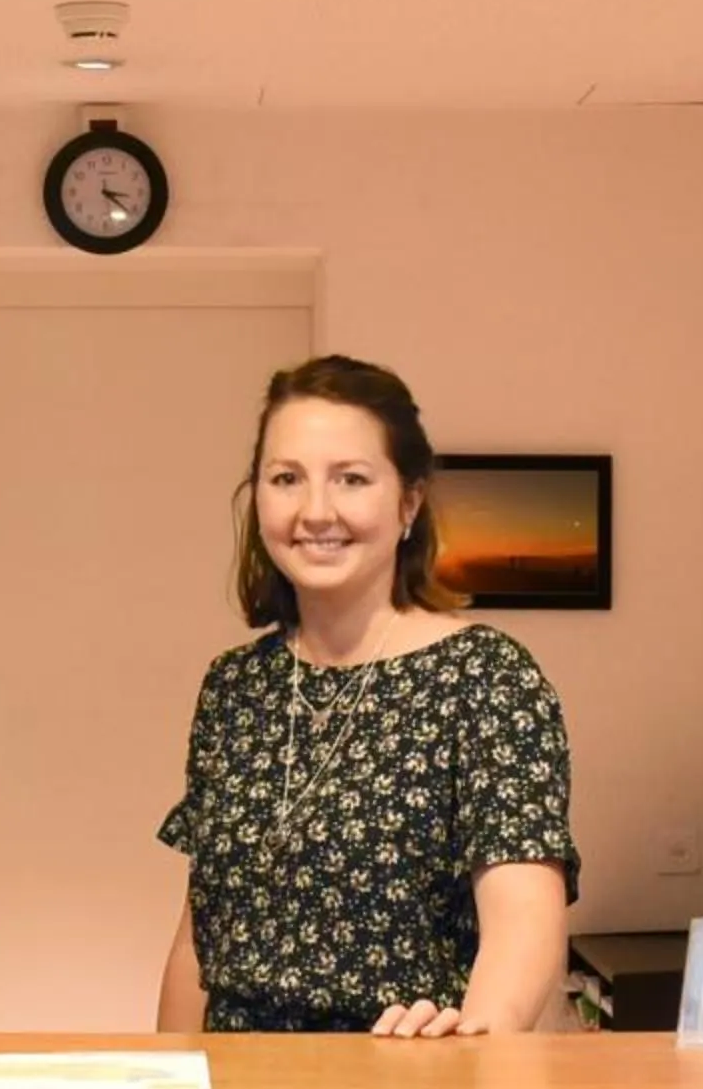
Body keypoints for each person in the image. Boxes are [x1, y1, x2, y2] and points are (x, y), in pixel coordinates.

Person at [155, 355, 579, 1037]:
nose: (315, 511)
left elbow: (524, 925)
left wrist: (475, 1042)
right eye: (287, 478)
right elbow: (199, 938)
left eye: (351, 479)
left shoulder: (486, 677)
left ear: (408, 503)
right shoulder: (235, 688)